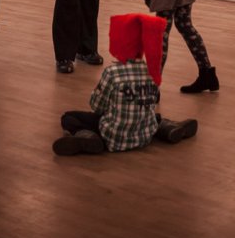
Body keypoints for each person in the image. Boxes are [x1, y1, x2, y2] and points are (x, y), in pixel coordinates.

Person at [52, 13, 198, 156]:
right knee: (151, 115)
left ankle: (89, 137)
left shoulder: (112, 73)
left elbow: (97, 107)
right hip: (145, 136)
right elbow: (151, 102)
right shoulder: (152, 71)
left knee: (69, 118)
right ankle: (168, 127)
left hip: (114, 137)